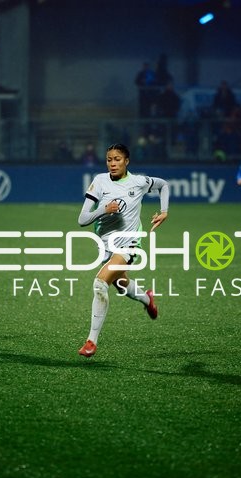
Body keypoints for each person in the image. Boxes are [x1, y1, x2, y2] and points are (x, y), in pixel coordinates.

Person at [76, 143, 170, 358]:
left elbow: (163, 185)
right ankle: (147, 299)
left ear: (126, 161)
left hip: (129, 243)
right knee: (120, 283)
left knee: (100, 284)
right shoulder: (99, 181)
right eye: (109, 159)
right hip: (106, 245)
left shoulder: (138, 182)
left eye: (117, 159)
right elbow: (82, 219)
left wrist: (164, 212)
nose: (112, 163)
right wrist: (103, 209)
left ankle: (91, 341)